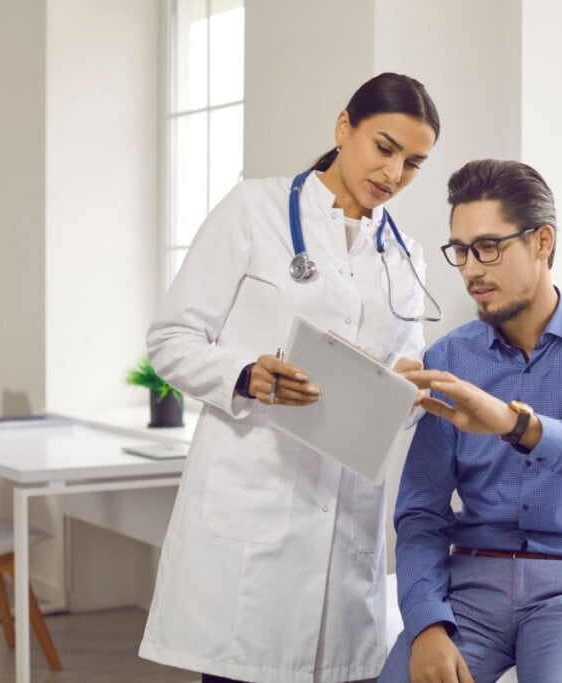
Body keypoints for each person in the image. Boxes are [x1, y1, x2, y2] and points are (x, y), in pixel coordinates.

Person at [139, 72, 441, 683]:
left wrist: (409, 393)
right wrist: (246, 375)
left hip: (345, 528)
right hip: (253, 508)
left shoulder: (405, 254)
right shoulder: (254, 210)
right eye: (384, 148)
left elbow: (400, 381)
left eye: (413, 163)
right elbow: (169, 341)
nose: (393, 173)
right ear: (343, 127)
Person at [380, 159, 562, 683]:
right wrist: (425, 625)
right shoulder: (451, 357)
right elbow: (420, 511)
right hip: (470, 591)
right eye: (461, 251)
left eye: (489, 247)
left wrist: (519, 426)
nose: (471, 268)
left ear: (542, 242)